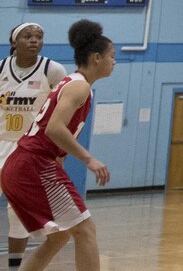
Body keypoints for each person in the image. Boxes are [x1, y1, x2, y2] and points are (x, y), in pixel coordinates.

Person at [0, 20, 114, 271]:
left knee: (61, 235)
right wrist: (89, 159)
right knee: (85, 231)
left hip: (26, 163)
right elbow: (53, 128)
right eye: (111, 56)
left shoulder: (71, 81)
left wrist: (60, 158)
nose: (113, 62)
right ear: (96, 58)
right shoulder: (79, 86)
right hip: (32, 163)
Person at [0, 23, 68, 269]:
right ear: (14, 42)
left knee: (17, 213)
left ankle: (14, 267)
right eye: (27, 36)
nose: (34, 41)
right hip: (1, 142)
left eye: (39, 37)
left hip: (30, 148)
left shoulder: (53, 70)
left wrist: (61, 150)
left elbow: (67, 111)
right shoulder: (1, 68)